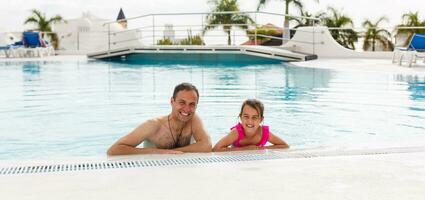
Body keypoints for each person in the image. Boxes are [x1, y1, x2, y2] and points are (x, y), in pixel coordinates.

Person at [107, 82, 212, 155]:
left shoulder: (193, 120)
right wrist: (156, 152)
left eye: (192, 104)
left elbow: (206, 145)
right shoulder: (153, 126)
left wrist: (174, 152)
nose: (187, 109)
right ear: (172, 101)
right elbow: (114, 150)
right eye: (182, 103)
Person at [213, 99, 289, 151]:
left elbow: (285, 146)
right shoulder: (236, 133)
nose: (250, 121)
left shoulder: (263, 133)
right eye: (246, 116)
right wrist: (245, 149)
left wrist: (260, 149)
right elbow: (216, 149)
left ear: (261, 120)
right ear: (241, 117)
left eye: (254, 117)